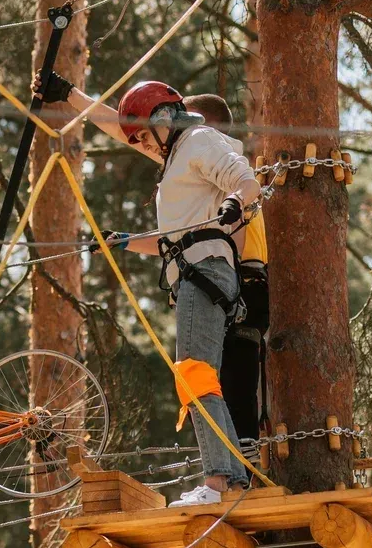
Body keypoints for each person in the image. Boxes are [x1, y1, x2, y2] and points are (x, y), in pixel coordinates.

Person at [33, 72, 261, 506]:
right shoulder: (177, 159)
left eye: (147, 135)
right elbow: (170, 239)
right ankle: (231, 479)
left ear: (164, 117)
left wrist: (236, 202)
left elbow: (245, 179)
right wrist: (122, 243)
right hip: (196, 270)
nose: (144, 146)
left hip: (204, 271)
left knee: (193, 373)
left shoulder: (197, 139)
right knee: (200, 376)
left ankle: (217, 482)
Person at [183, 95, 270, 453]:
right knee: (230, 378)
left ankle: (240, 470)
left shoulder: (224, 178)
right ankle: (237, 465)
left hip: (239, 283)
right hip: (246, 283)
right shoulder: (227, 176)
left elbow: (234, 236)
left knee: (230, 378)